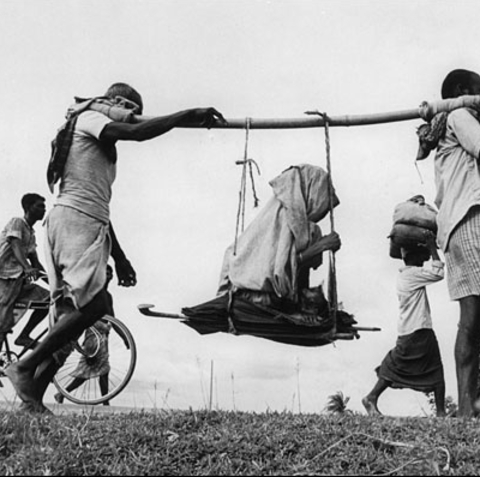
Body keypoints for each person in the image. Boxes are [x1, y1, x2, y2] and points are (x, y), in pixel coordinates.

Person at [5, 82, 227, 413]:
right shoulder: (91, 117)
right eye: (130, 110)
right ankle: (24, 368)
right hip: (74, 222)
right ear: (115, 102)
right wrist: (186, 114)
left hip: (85, 222)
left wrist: (119, 257)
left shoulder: (99, 140)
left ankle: (32, 396)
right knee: (92, 307)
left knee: (80, 312)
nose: (132, 117)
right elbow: (136, 132)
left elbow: (101, 205)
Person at [417, 68, 480, 417]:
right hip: (470, 219)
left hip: (458, 223)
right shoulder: (459, 115)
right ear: (461, 91)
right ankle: (469, 408)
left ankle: (471, 405)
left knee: (472, 316)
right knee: (473, 316)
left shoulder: (450, 125)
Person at [217, 163, 341, 316]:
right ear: (311, 193)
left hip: (272, 296)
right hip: (251, 294)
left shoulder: (304, 227)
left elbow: (297, 272)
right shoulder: (284, 217)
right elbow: (279, 269)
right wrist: (321, 246)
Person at [362, 232, 446, 417]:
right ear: (412, 257)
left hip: (414, 330)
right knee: (423, 369)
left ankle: (441, 413)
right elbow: (439, 273)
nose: (424, 259)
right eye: (420, 256)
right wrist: (432, 247)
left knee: (420, 367)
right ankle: (371, 397)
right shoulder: (411, 275)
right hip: (417, 330)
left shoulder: (407, 275)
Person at [54, 265, 116, 406]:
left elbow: (113, 319)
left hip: (104, 335)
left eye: (110, 274)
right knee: (94, 369)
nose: (108, 276)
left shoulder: (107, 296)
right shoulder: (93, 294)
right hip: (93, 335)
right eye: (105, 273)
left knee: (100, 369)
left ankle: (104, 401)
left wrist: (124, 337)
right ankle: (104, 401)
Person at [0, 193, 50, 351]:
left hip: (19, 281)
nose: (44, 209)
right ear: (28, 207)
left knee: (48, 300)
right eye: (39, 206)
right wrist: (27, 268)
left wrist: (56, 283)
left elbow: (36, 263)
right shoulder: (17, 222)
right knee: (2, 324)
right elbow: (15, 245)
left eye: (44, 206)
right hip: (5, 279)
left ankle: (24, 336)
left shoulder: (31, 234)